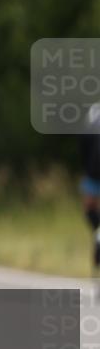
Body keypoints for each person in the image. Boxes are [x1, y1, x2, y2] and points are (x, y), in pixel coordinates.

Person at [80, 103, 100, 271]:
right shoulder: (94, 112)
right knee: (90, 211)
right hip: (93, 172)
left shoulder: (93, 113)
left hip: (92, 172)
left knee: (90, 211)